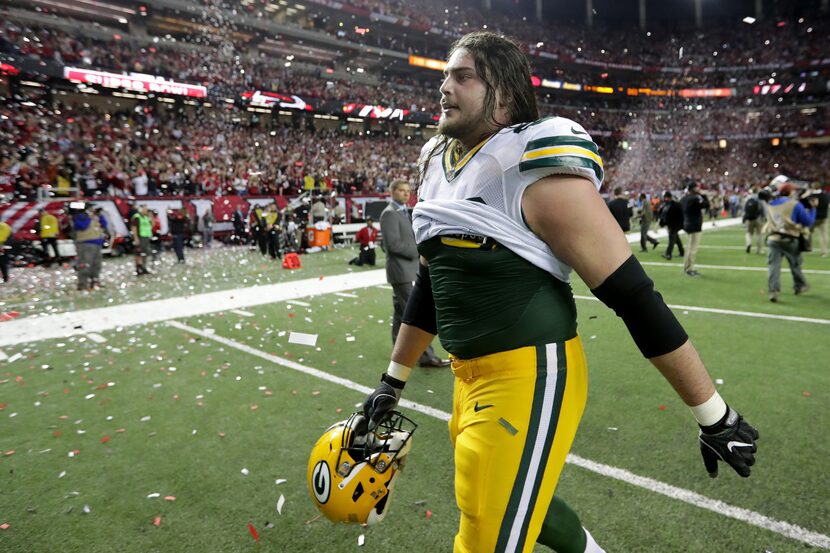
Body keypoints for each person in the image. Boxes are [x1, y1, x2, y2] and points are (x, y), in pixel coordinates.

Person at [362, 32, 758, 553]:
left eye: (462, 76)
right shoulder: (437, 163)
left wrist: (715, 415)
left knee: (486, 527)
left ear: (503, 94)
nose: (444, 87)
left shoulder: (533, 162)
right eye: (444, 76)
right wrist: (393, 380)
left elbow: (634, 297)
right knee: (519, 499)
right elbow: (435, 282)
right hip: (468, 376)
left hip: (530, 376)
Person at [380, 179, 450, 369]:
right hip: (401, 272)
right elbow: (392, 245)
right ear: (392, 191)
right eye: (401, 190)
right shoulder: (389, 214)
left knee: (400, 314)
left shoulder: (404, 212)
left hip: (407, 270)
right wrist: (419, 249)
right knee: (416, 316)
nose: (406, 194)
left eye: (408, 191)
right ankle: (427, 357)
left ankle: (399, 355)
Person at [764, 178, 817, 302]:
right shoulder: (794, 204)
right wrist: (813, 209)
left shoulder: (771, 204)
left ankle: (773, 291)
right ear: (790, 192)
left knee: (773, 266)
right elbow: (808, 222)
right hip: (790, 238)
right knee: (795, 264)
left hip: (773, 238)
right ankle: (799, 285)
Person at [72, 203, 105, 291]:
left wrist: (99, 216)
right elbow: (82, 226)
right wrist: (89, 217)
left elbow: (104, 224)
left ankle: (95, 281)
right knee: (85, 264)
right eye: (91, 208)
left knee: (97, 265)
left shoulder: (95, 217)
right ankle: (82, 284)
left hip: (97, 243)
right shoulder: (80, 216)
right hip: (85, 244)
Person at [680, 182, 709, 276]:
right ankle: (689, 269)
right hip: (695, 226)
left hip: (687, 224)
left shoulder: (684, 198)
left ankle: (688, 267)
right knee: (692, 249)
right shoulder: (695, 198)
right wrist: (703, 195)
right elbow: (706, 204)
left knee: (689, 248)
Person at [658, 191, 685, 260]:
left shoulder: (676, 205)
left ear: (669, 198)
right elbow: (663, 214)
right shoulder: (665, 205)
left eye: (666, 198)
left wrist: (680, 225)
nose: (665, 199)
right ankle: (682, 252)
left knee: (671, 239)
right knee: (676, 239)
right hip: (670, 225)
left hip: (675, 225)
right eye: (664, 198)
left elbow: (681, 215)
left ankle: (668, 254)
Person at [742, 187, 766, 255]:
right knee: (759, 234)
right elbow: (763, 209)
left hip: (749, 218)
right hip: (758, 218)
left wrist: (744, 218)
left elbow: (744, 209)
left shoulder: (748, 198)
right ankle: (759, 250)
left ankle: (748, 243)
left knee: (749, 233)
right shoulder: (760, 199)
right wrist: (764, 217)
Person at [131, 205, 153, 275]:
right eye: (145, 209)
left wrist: (151, 217)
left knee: (145, 253)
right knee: (138, 253)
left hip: (146, 237)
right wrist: (136, 238)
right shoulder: (137, 217)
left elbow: (152, 225)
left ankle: (144, 267)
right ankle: (138, 268)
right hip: (140, 237)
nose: (146, 210)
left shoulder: (146, 217)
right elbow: (134, 228)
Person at [809, 182, 828, 257]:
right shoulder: (825, 194)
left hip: (814, 217)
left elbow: (811, 205)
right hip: (824, 217)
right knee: (823, 235)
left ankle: (809, 248)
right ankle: (824, 252)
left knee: (808, 232)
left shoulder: (812, 195)